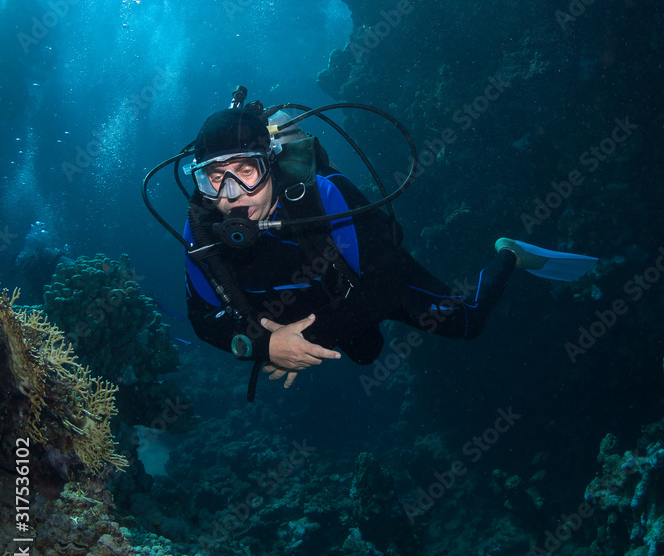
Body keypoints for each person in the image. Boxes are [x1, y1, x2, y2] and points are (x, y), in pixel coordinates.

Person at [183, 107, 595, 393]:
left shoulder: (324, 197)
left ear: (271, 164)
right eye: (215, 178)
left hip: (367, 282)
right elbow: (202, 319)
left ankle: (510, 253)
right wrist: (266, 347)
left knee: (468, 324)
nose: (232, 195)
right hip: (306, 304)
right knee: (365, 354)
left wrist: (293, 345)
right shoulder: (202, 234)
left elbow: (386, 286)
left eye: (247, 171)